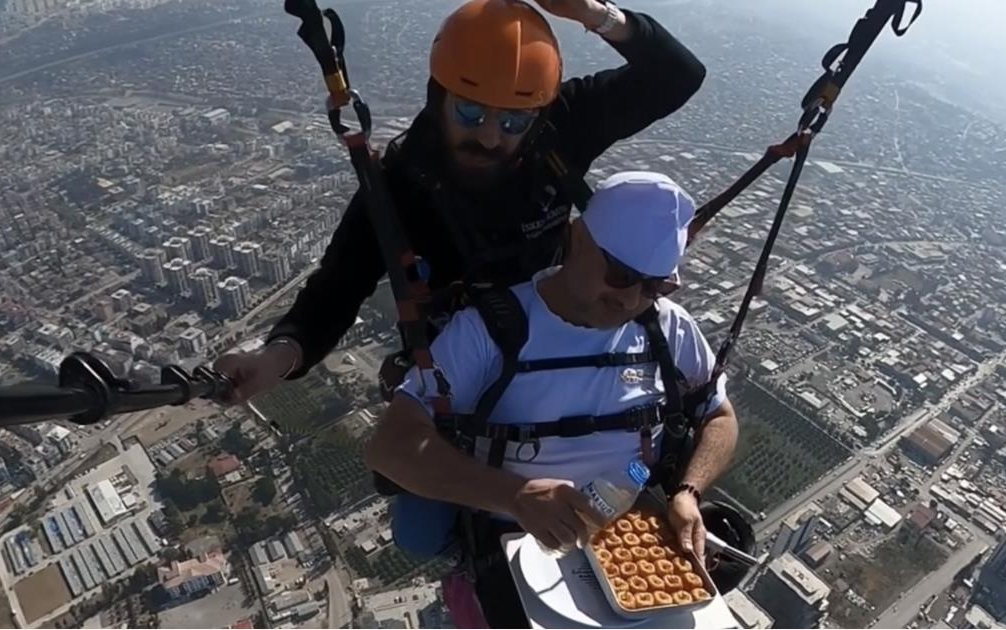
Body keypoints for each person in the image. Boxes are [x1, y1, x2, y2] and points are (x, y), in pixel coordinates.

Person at [215, 0, 707, 401]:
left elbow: (677, 76)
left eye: (514, 121)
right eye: (470, 112)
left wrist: (595, 14)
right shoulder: (401, 183)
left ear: (538, 114)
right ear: (438, 96)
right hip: (467, 357)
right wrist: (275, 356)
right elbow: (339, 285)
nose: (491, 136)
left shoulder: (562, 126)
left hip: (566, 321)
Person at [364, 171, 739, 627]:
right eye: (621, 274)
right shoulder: (492, 330)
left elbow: (718, 416)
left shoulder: (668, 329)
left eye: (656, 286)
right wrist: (515, 495)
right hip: (512, 536)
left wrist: (687, 492)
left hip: (631, 529)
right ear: (576, 238)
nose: (631, 300)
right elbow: (391, 445)